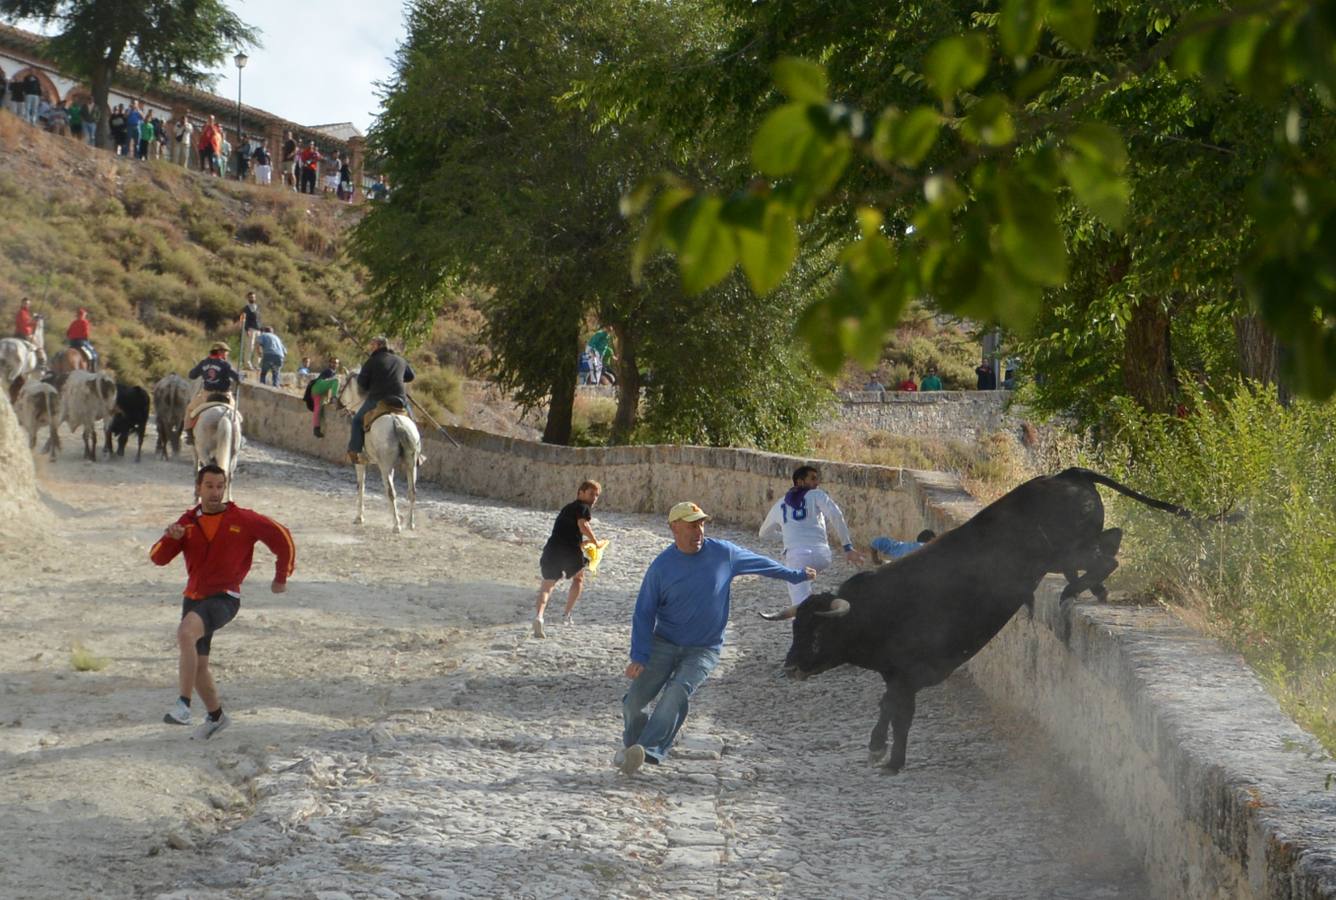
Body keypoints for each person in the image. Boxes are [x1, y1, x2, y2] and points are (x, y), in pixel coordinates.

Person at [615, 501, 816, 774]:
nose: (698, 530)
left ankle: (648, 748)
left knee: (676, 692)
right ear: (674, 528)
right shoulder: (661, 567)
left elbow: (760, 564)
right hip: (664, 643)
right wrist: (639, 654)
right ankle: (633, 749)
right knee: (634, 703)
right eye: (690, 524)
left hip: (704, 649)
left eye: (700, 523)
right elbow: (643, 613)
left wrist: (795, 575)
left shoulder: (724, 553)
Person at [151, 464, 295, 739]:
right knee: (199, 665)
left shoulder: (244, 518)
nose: (216, 493)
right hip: (193, 598)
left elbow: (282, 537)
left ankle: (183, 705)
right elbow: (157, 558)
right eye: (209, 486)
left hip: (225, 597)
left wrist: (281, 576)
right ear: (198, 488)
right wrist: (171, 538)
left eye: (220, 486)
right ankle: (216, 717)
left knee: (184, 634)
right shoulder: (187, 522)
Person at [758, 465, 865, 614]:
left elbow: (763, 533)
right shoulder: (816, 495)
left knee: (800, 607)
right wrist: (847, 547)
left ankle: (808, 627)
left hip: (797, 557)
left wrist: (788, 538)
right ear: (800, 482)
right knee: (807, 595)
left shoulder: (780, 504)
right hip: (822, 555)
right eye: (813, 478)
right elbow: (836, 516)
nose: (817, 482)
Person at [533, 480, 603, 637]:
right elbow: (583, 526)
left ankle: (539, 617)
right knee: (578, 579)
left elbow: (566, 533)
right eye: (591, 494)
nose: (594, 498)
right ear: (581, 492)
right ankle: (567, 614)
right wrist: (595, 541)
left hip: (552, 550)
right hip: (569, 552)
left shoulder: (567, 508)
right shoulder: (583, 507)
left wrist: (584, 543)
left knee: (547, 586)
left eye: (597, 495)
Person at [348, 336, 414, 463]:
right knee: (411, 420)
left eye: (372, 345)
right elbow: (411, 376)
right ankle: (417, 453)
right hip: (400, 398)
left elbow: (362, 382)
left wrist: (372, 384)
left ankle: (355, 451)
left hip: (378, 399)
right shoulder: (401, 360)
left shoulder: (372, 361)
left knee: (357, 420)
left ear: (379, 346)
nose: (371, 348)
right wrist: (397, 378)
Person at [183, 341, 243, 439]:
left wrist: (201, 371)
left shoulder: (204, 363)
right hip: (225, 396)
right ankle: (237, 437)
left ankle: (189, 433)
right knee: (237, 416)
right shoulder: (225, 364)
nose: (227, 354)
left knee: (190, 409)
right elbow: (238, 378)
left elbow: (192, 375)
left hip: (207, 396)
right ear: (219, 352)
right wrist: (240, 377)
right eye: (226, 352)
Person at [305, 356, 341, 438]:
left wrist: (328, 399)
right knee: (337, 380)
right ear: (329, 363)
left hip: (317, 392)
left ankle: (316, 429)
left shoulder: (331, 372)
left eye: (336, 363)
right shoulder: (329, 371)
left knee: (318, 409)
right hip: (318, 386)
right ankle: (334, 398)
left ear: (338, 365)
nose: (334, 364)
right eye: (332, 362)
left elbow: (328, 386)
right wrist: (332, 398)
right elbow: (328, 383)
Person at [869, 529, 938, 564]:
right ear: (932, 540)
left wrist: (876, 560)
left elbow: (876, 542)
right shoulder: (931, 551)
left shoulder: (904, 547)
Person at [237, 292, 260, 369]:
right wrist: (247, 329)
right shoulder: (246, 308)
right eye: (250, 297)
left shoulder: (258, 307)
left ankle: (256, 364)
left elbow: (259, 319)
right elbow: (243, 319)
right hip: (250, 329)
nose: (252, 298)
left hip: (258, 330)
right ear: (248, 298)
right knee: (249, 347)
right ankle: (247, 364)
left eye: (253, 297)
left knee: (258, 347)